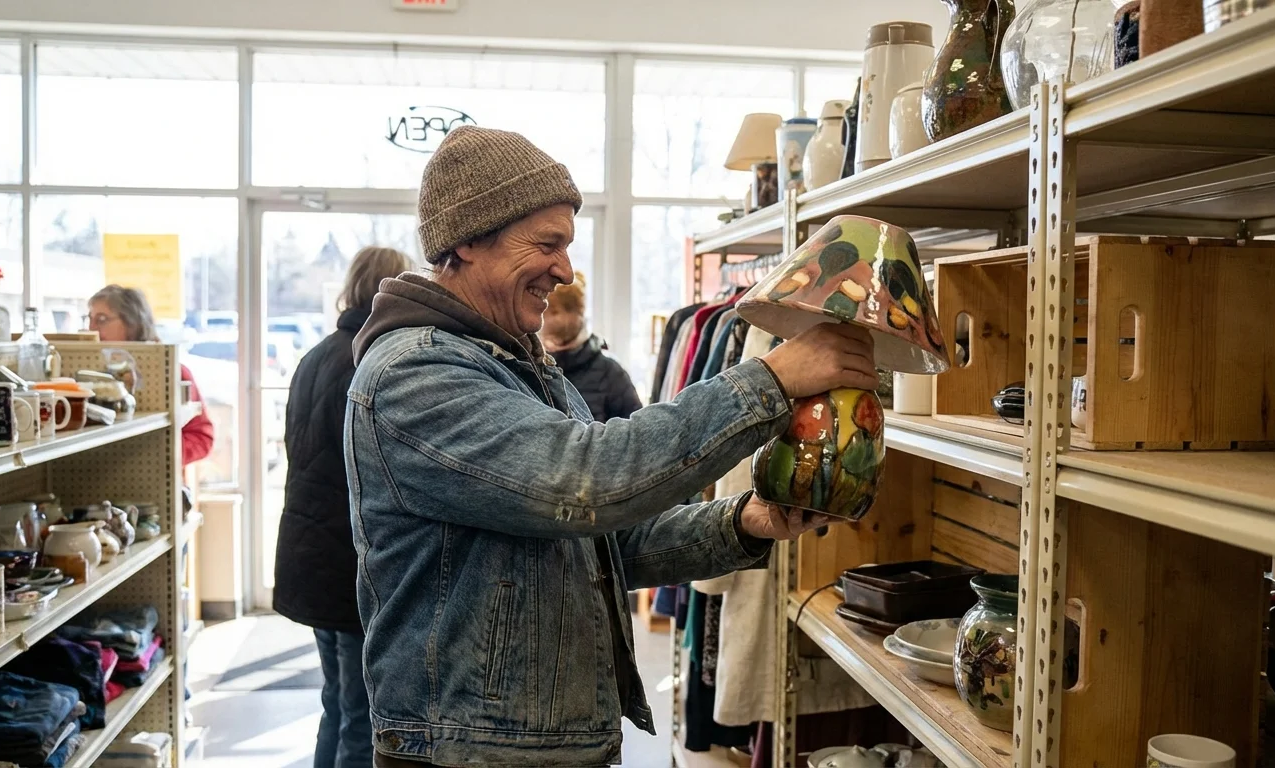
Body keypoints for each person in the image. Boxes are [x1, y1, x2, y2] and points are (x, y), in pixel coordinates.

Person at [347, 126, 877, 767]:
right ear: (467, 238)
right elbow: (588, 483)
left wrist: (745, 522)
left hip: (538, 745)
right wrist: (770, 380)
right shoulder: (415, 375)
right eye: (547, 243)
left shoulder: (523, 367)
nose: (565, 270)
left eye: (566, 245)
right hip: (467, 753)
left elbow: (610, 542)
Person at [274, 246, 413, 768]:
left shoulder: (316, 355)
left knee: (337, 703)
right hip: (349, 563)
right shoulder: (371, 362)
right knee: (364, 717)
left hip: (310, 554)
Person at [88, 285, 213, 467]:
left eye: (102, 319)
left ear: (132, 323)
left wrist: (160, 457)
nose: (91, 328)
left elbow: (202, 436)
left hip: (160, 484)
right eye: (89, 319)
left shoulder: (173, 372)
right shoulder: (85, 372)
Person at [538, 272, 642, 422]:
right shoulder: (530, 367)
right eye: (551, 310)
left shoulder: (611, 372)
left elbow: (633, 431)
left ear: (580, 313)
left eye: (565, 309)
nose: (557, 318)